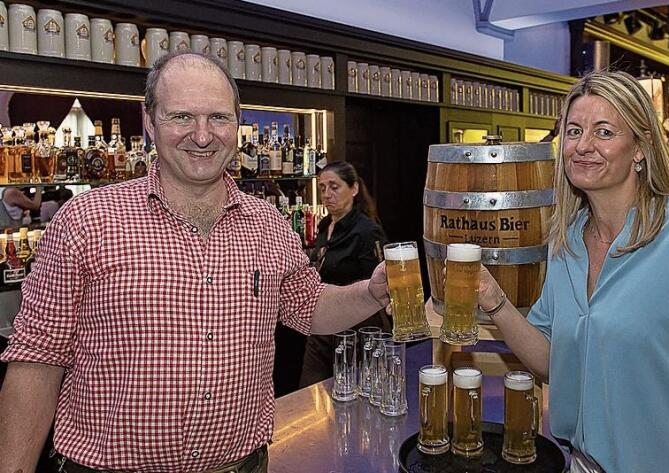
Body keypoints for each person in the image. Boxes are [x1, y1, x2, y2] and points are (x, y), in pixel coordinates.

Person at [0, 50, 390, 473]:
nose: (202, 136)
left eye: (219, 118)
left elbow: (310, 307)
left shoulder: (267, 224)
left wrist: (371, 292)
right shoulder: (87, 220)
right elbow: (36, 360)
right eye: (181, 117)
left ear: (237, 124)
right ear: (149, 122)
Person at [476, 70, 669, 473]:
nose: (583, 146)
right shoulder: (566, 241)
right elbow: (554, 362)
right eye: (573, 131)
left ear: (641, 147)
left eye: (604, 132)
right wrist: (494, 300)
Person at [299, 161, 388, 387]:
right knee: (310, 395)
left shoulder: (366, 230)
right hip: (321, 327)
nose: (327, 194)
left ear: (354, 189)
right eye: (322, 188)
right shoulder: (324, 226)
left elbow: (383, 280)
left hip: (356, 331)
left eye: (334, 187)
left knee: (352, 396)